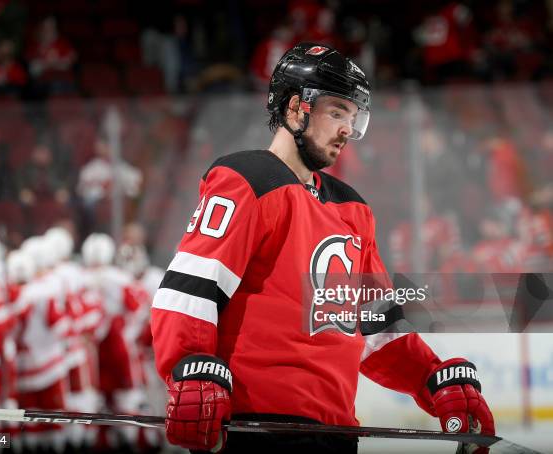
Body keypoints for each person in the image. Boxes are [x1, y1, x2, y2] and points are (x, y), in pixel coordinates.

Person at [150, 43, 495, 454]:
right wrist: (189, 369)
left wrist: (431, 379)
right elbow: (190, 290)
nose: (347, 130)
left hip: (337, 432)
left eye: (353, 117)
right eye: (336, 112)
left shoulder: (353, 209)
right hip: (256, 428)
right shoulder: (246, 179)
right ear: (296, 108)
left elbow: (376, 327)